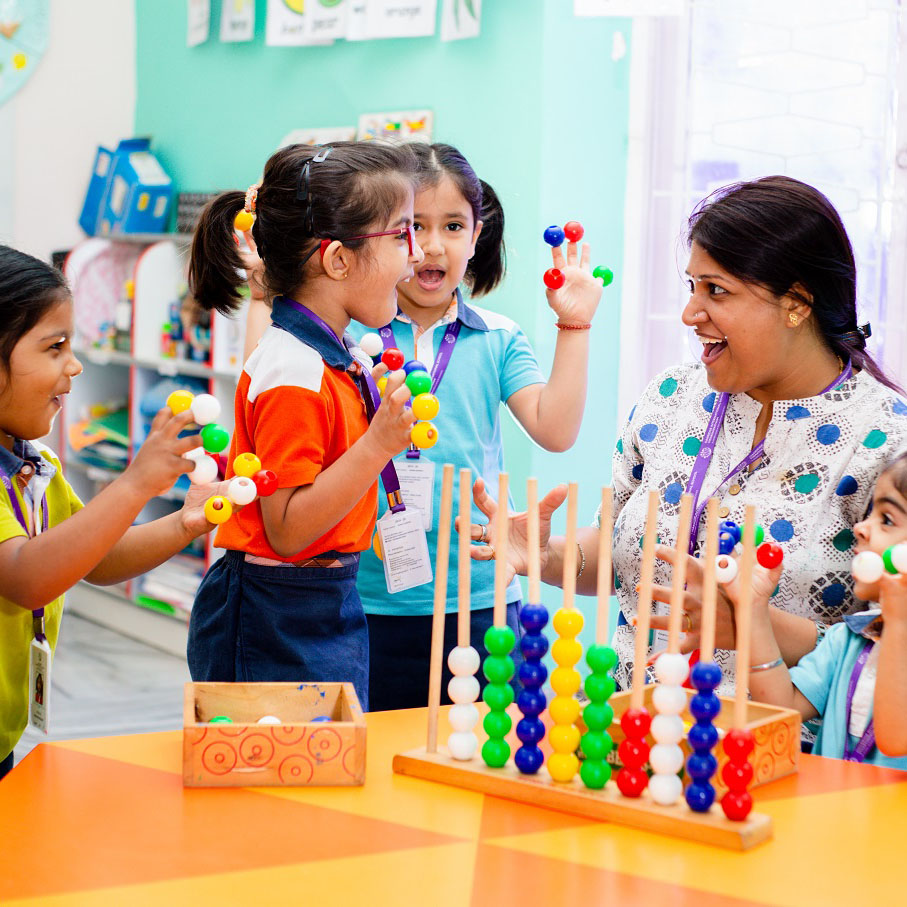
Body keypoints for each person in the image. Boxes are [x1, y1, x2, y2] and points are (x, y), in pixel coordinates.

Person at [466, 176, 907, 701]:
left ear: (796, 303)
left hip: (780, 758)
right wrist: (545, 554)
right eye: (691, 286)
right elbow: (620, 552)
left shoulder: (884, 441)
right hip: (623, 735)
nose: (689, 314)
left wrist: (749, 625)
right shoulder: (672, 396)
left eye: (716, 290)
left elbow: (887, 640)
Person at [340, 142, 602, 710]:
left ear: (477, 236)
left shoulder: (497, 337)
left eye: (453, 226)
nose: (432, 246)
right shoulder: (351, 337)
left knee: (476, 755)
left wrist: (574, 325)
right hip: (363, 597)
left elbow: (555, 430)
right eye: (412, 226)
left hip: (478, 595)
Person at [185, 143, 423, 709]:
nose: (415, 256)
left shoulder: (330, 354)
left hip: (322, 596)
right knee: (274, 782)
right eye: (402, 234)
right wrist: (378, 444)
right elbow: (289, 529)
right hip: (277, 610)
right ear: (338, 260)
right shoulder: (294, 369)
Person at [0, 245, 227, 780]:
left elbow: (96, 558)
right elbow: (28, 577)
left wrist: (183, 523)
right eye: (54, 348)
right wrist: (137, 481)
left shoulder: (34, 465)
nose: (74, 365)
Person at [744, 451, 907, 768]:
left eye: (886, 520)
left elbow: (894, 739)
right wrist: (752, 606)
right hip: (829, 812)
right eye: (871, 512)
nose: (860, 527)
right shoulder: (851, 637)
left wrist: (899, 623)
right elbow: (780, 706)